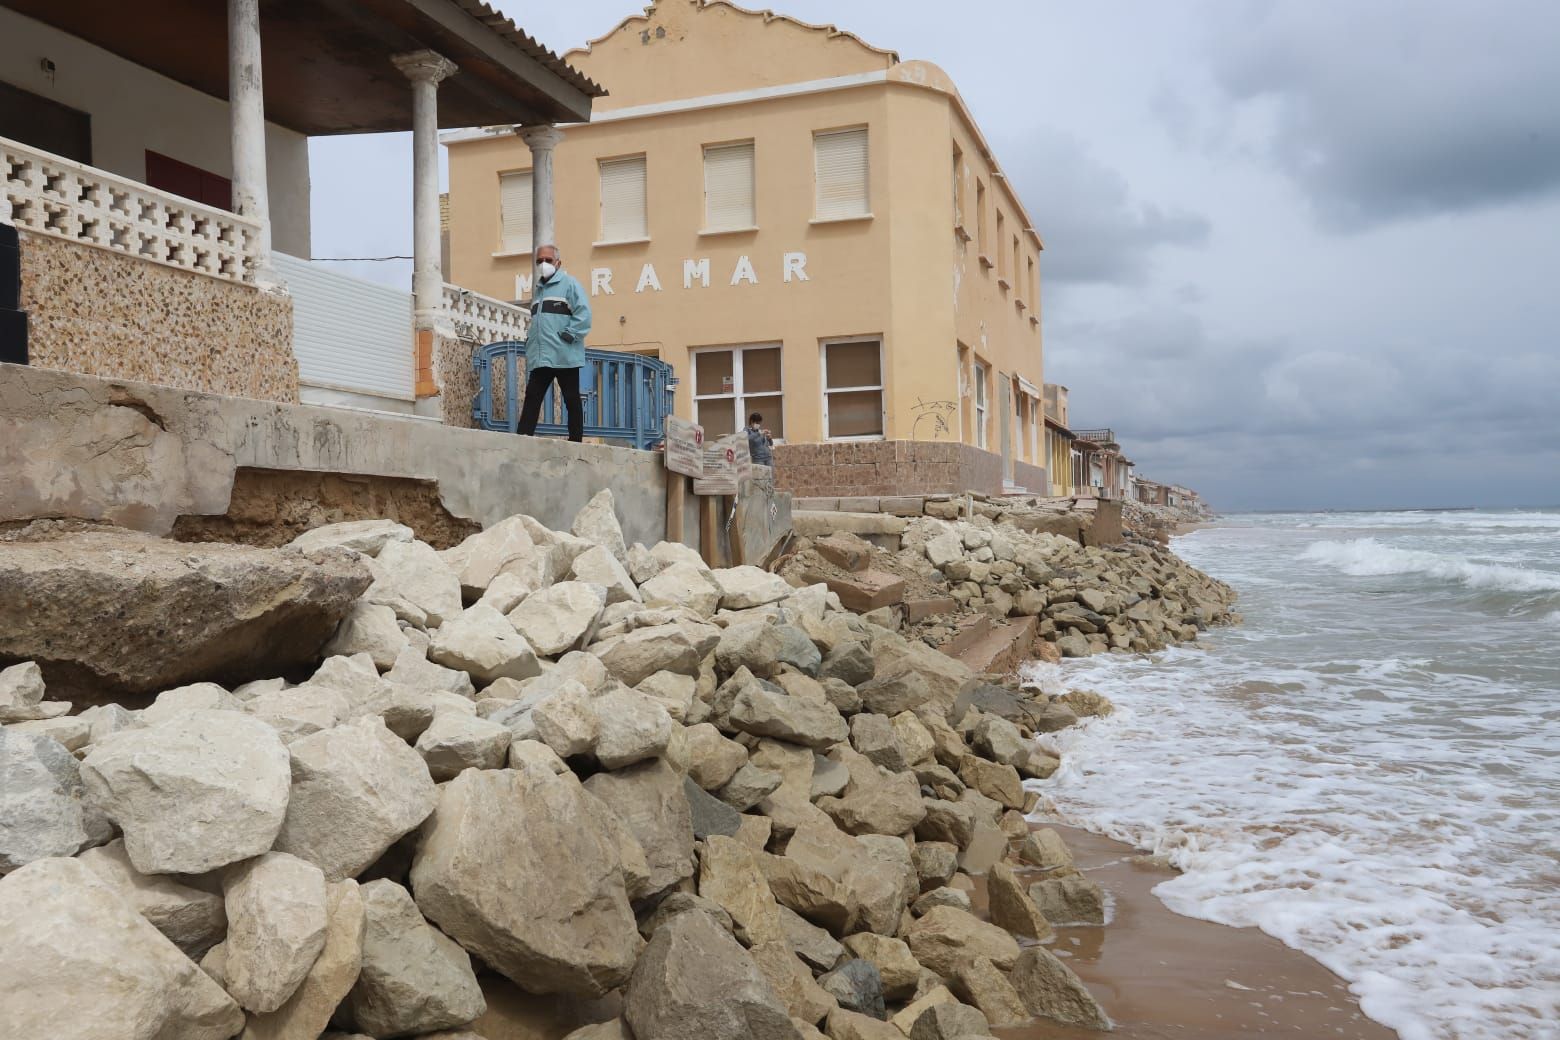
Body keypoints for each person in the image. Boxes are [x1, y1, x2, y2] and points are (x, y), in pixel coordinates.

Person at [516, 244, 591, 442]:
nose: (543, 264)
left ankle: (576, 442)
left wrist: (570, 334)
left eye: (548, 260)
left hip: (564, 354)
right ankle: (522, 439)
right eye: (539, 260)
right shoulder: (538, 292)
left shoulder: (570, 284)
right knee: (532, 397)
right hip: (542, 357)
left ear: (558, 263)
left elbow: (584, 314)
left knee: (571, 399)